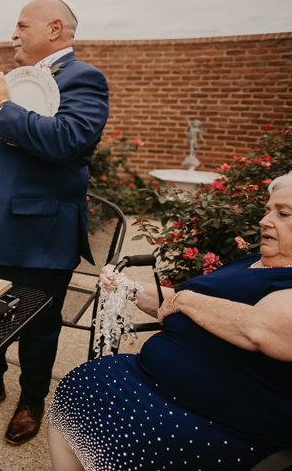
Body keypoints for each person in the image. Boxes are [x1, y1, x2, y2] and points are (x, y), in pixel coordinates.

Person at [0, 0, 109, 446]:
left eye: (21, 25)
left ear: (54, 29)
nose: (12, 35)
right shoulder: (16, 80)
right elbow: (1, 139)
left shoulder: (84, 79)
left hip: (40, 230)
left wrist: (2, 110)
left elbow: (66, 140)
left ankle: (32, 399)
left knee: (38, 326)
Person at [46, 173, 292, 471]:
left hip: (209, 417)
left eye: (282, 214)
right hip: (148, 379)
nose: (265, 220)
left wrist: (185, 300)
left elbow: (265, 329)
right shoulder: (248, 263)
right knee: (77, 389)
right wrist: (128, 286)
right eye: (267, 210)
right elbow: (182, 303)